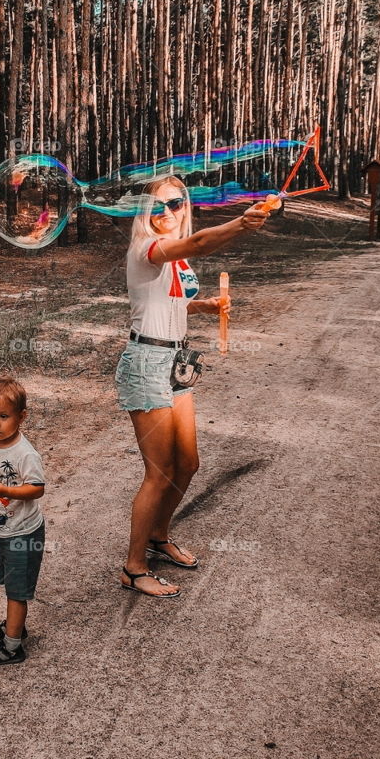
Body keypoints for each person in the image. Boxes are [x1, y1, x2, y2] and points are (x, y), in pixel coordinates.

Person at [116, 176, 268, 598]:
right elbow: (200, 244)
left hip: (176, 363)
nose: (168, 213)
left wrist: (205, 305)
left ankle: (159, 536)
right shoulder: (146, 249)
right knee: (159, 473)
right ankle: (132, 567)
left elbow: (168, 301)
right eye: (159, 206)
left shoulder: (176, 261)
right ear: (145, 213)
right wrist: (241, 224)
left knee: (188, 464)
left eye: (177, 203)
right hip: (147, 363)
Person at [0, 377, 46, 667]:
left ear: (21, 417)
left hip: (25, 533)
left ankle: (12, 646)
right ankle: (15, 626)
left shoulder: (25, 454)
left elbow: (37, 488)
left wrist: (5, 492)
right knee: (9, 585)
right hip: (4, 529)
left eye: (4, 417)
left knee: (17, 593)